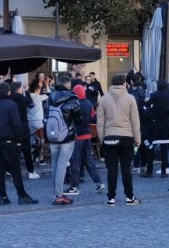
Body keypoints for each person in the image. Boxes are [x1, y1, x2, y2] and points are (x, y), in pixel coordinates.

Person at [0, 82, 38, 205]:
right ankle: (22, 195)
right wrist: (19, 140)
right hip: (8, 140)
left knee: (0, 169)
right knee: (15, 169)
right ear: (8, 92)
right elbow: (16, 124)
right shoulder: (10, 105)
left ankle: (2, 197)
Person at [96, 74, 142, 206]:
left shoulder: (103, 99)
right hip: (127, 136)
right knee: (126, 168)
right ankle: (129, 197)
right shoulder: (130, 98)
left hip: (109, 136)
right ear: (123, 83)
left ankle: (111, 198)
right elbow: (135, 121)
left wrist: (102, 139)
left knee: (112, 169)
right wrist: (137, 139)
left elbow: (100, 122)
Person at [45, 76, 83, 205]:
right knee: (62, 164)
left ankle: (56, 192)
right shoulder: (72, 98)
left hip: (52, 136)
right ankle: (59, 195)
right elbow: (78, 118)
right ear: (68, 85)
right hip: (67, 136)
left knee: (55, 164)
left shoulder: (50, 98)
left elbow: (46, 116)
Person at [65, 85, 104, 195]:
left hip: (77, 136)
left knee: (75, 162)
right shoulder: (89, 104)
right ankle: (98, 182)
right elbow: (92, 117)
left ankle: (74, 187)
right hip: (87, 135)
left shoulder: (73, 104)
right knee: (89, 160)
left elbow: (68, 119)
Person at [144, 80, 169, 178]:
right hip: (166, 125)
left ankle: (149, 171)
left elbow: (146, 106)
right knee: (164, 149)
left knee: (151, 148)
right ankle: (163, 172)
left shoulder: (154, 95)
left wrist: (151, 110)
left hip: (155, 124)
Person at [9, 82, 38, 179]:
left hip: (12, 126)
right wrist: (27, 91)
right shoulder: (22, 98)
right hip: (23, 125)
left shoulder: (9, 99)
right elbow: (31, 105)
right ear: (18, 89)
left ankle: (14, 173)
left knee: (14, 150)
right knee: (26, 150)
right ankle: (31, 172)